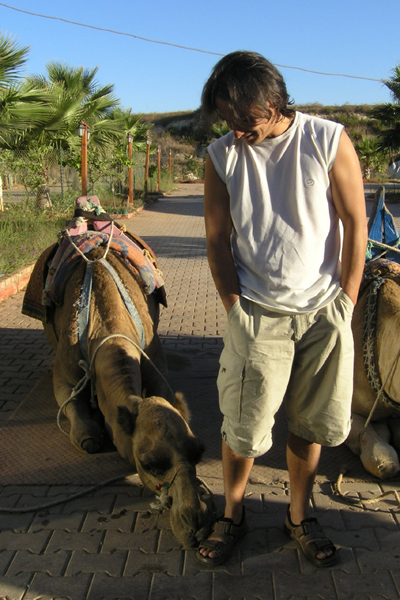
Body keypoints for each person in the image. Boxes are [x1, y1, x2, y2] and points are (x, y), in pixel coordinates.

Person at [196, 51, 368, 568]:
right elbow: (215, 239)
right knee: (243, 425)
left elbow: (356, 224)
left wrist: (346, 300)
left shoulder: (327, 139)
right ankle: (232, 513)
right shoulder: (221, 155)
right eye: (227, 119)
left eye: (245, 119)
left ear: (274, 102)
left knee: (312, 422)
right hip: (256, 312)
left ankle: (298, 515)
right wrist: (234, 308)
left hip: (323, 310)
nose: (237, 131)